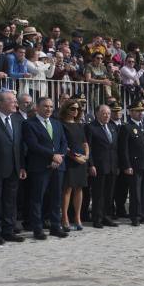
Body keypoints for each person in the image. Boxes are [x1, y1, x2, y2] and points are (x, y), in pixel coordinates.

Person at [23, 97, 68, 240]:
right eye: (45, 106)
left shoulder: (57, 123)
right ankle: (37, 228)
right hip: (40, 167)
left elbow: (63, 142)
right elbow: (33, 145)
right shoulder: (29, 124)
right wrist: (52, 156)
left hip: (58, 166)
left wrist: (59, 157)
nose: (48, 109)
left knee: (56, 198)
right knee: (37, 198)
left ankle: (55, 226)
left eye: (50, 106)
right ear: (37, 107)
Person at [119, 100, 144, 226]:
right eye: (137, 111)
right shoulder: (127, 127)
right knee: (135, 192)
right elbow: (123, 149)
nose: (141, 113)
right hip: (135, 165)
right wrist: (127, 165)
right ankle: (135, 215)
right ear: (131, 112)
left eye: (142, 111)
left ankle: (143, 214)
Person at [0, 91, 26, 244]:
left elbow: (19, 145)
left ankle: (8, 230)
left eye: (15, 101)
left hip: (14, 168)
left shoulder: (16, 120)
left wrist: (21, 166)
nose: (15, 104)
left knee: (10, 201)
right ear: (0, 103)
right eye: (11, 101)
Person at [86, 105, 120, 228]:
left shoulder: (112, 127)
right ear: (97, 113)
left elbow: (116, 148)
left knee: (109, 193)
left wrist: (117, 165)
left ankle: (107, 216)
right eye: (104, 113)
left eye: (108, 113)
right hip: (98, 166)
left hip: (111, 165)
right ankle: (97, 218)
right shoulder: (91, 127)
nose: (107, 116)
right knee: (98, 194)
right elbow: (88, 148)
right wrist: (91, 165)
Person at [59, 99, 90, 232]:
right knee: (67, 189)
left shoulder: (79, 125)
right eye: (72, 108)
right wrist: (75, 157)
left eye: (77, 109)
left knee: (79, 189)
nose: (75, 111)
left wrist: (86, 156)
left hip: (81, 160)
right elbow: (63, 145)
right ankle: (65, 217)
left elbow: (85, 143)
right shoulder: (61, 124)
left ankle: (77, 218)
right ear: (66, 109)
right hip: (69, 160)